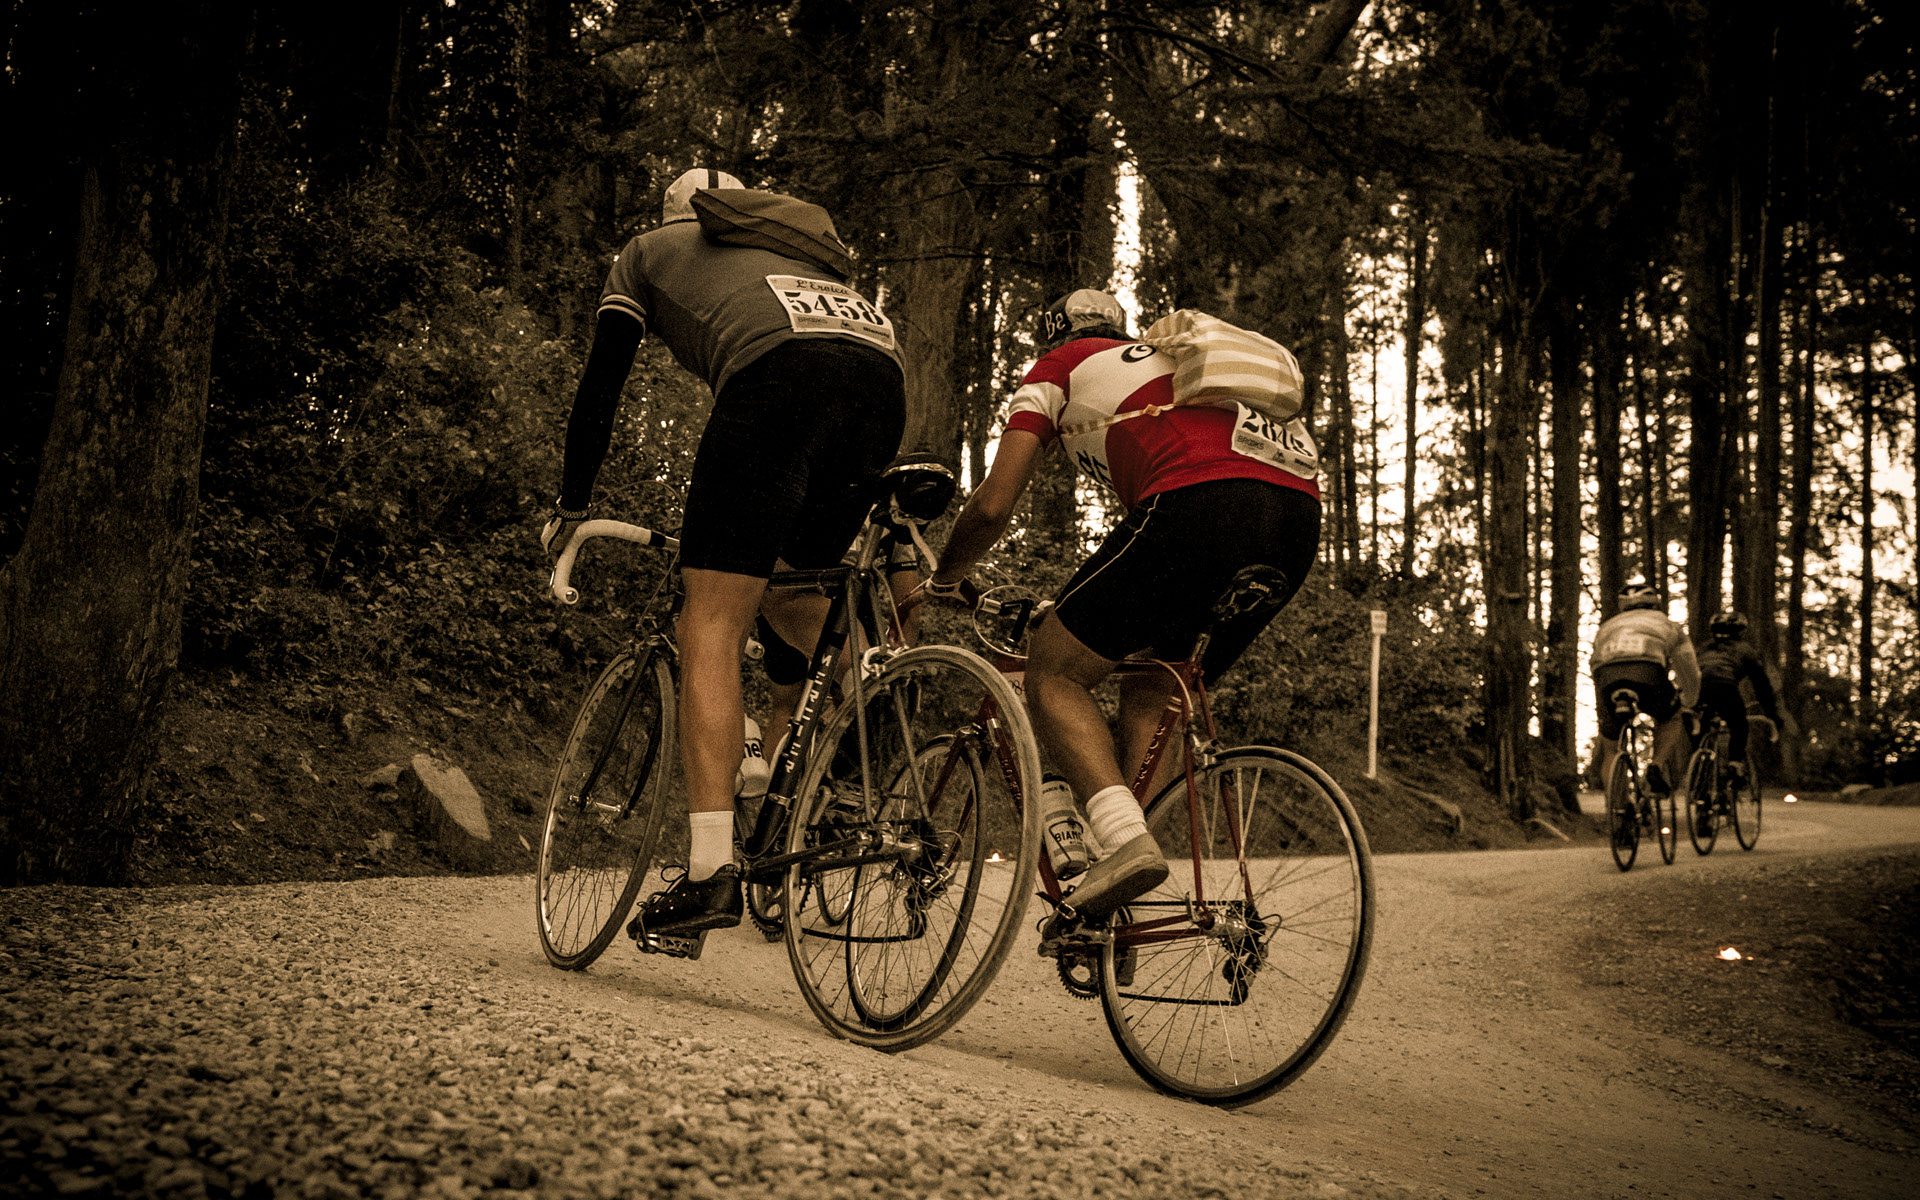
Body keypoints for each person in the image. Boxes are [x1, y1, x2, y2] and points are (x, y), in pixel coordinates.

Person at [542, 168, 905, 945]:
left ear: (681, 216)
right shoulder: (797, 258)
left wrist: (572, 503)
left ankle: (710, 874)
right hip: (880, 376)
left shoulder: (649, 250)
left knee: (709, 617)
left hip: (779, 379)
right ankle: (885, 711)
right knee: (790, 593)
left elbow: (601, 385)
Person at [921, 289, 1321, 921]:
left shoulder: (1058, 368)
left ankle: (1126, 844)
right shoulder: (1173, 361)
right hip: (1298, 519)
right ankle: (1120, 909)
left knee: (1052, 670)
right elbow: (1148, 565)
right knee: (1154, 692)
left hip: (1199, 500)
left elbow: (994, 503)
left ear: (1054, 338)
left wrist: (945, 578)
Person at [1590, 582, 1700, 801]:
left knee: (1610, 748)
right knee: (1671, 717)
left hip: (1606, 676)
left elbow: (1594, 661)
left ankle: (1618, 809)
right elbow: (1687, 666)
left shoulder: (1606, 627)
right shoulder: (1668, 624)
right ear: (1654, 604)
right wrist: (1691, 699)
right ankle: (1655, 767)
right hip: (1647, 671)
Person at [1692, 609, 1781, 790]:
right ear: (1741, 631)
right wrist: (1772, 714)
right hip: (1725, 689)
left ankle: (1700, 764)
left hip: (1697, 691)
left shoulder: (1702, 649)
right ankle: (1734, 764)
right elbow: (1761, 686)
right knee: (1739, 725)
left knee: (1698, 729)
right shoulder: (1745, 650)